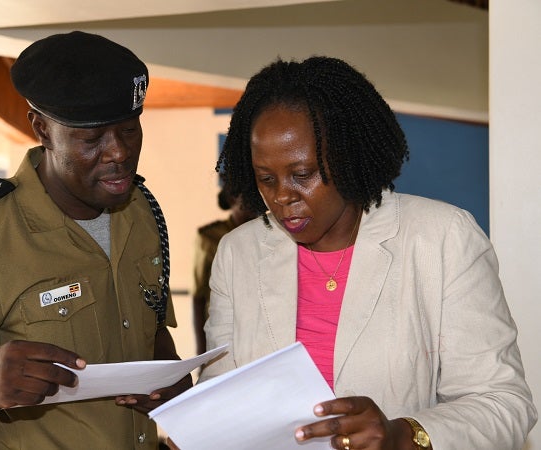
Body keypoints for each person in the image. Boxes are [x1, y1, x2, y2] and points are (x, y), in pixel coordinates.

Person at [198, 56, 537, 449]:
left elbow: (504, 404)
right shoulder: (238, 253)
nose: (282, 196)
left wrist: (404, 435)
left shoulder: (442, 238)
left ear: (346, 155)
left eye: (303, 174)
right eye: (265, 179)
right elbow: (220, 396)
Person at [0, 31, 192, 449]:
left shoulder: (141, 212)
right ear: (42, 128)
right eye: (92, 139)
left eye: (129, 131)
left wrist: (172, 381)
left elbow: (151, 329)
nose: (119, 152)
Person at [191, 185, 257, 355]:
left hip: (257, 331)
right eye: (248, 196)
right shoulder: (210, 237)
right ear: (231, 199)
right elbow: (199, 297)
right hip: (222, 332)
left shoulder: (268, 233)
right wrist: (201, 351)